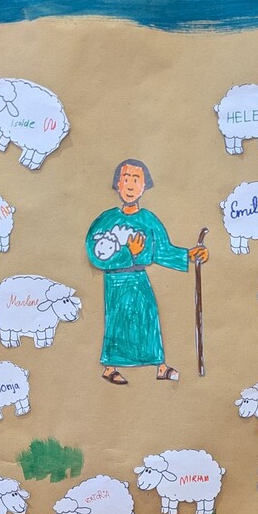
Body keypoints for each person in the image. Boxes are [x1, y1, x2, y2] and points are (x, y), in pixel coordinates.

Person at [85, 159, 209, 385]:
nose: (130, 186)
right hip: (116, 281)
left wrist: (189, 255)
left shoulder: (149, 220)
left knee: (148, 316)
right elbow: (95, 254)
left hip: (139, 278)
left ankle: (160, 366)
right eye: (126, 179)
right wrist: (128, 253)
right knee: (117, 321)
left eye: (136, 180)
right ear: (117, 184)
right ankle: (110, 367)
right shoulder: (106, 220)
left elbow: (162, 250)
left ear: (144, 186)